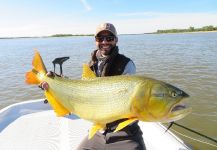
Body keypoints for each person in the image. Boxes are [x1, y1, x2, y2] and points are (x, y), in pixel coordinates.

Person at [40, 23, 146, 150]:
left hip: (125, 132)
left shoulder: (126, 64)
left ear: (116, 40)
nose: (104, 42)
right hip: (99, 131)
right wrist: (56, 81)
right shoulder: (91, 64)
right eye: (100, 38)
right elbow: (83, 90)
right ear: (95, 41)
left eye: (109, 38)